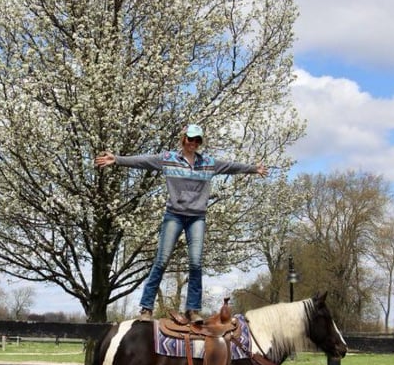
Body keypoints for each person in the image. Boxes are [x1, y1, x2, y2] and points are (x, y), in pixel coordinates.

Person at [94, 124, 268, 323]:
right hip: (174, 215)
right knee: (161, 260)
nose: (193, 143)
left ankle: (192, 310)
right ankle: (146, 308)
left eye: (197, 140)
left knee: (196, 263)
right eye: (190, 139)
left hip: (197, 218)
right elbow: (143, 161)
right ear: (183, 139)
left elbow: (231, 166)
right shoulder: (168, 160)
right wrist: (117, 159)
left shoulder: (209, 163)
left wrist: (254, 169)